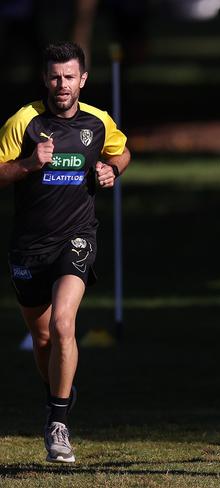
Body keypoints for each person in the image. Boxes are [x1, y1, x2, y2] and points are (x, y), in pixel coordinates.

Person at [0, 41, 130, 463]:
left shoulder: (97, 122)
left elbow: (122, 151)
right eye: (55, 76)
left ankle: (58, 423)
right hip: (29, 246)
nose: (62, 84)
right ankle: (61, 391)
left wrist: (113, 169)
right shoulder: (25, 122)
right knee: (42, 339)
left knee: (62, 322)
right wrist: (27, 165)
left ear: (83, 80)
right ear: (45, 78)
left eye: (70, 77)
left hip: (76, 238)